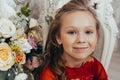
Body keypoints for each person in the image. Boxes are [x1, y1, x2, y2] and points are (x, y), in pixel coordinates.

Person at [37, 0, 108, 80]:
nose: (81, 40)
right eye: (72, 32)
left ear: (97, 36)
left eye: (88, 32)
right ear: (58, 37)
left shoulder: (95, 66)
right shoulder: (49, 75)